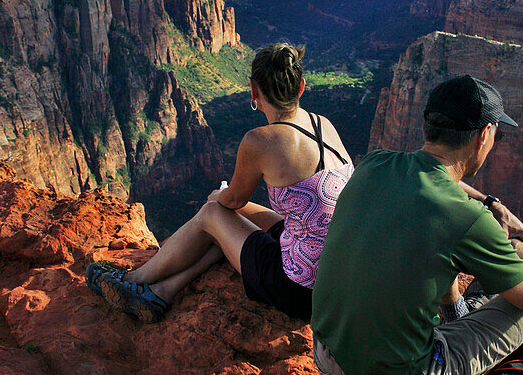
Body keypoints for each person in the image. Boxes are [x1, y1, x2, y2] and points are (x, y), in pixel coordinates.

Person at [310, 74, 523, 375]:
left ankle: (453, 313)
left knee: (436, 252)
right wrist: (517, 245)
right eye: (497, 135)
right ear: (484, 136)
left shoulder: (374, 165)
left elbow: (431, 184)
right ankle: (451, 333)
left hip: (326, 357)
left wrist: (492, 205)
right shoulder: (467, 219)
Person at [86, 43, 353, 323]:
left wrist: (217, 198)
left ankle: (133, 279)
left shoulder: (260, 140)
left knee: (214, 213)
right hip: (336, 281)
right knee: (227, 221)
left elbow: (232, 201)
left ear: (254, 90)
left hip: (299, 289)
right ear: (301, 87)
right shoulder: (324, 124)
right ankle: (161, 292)